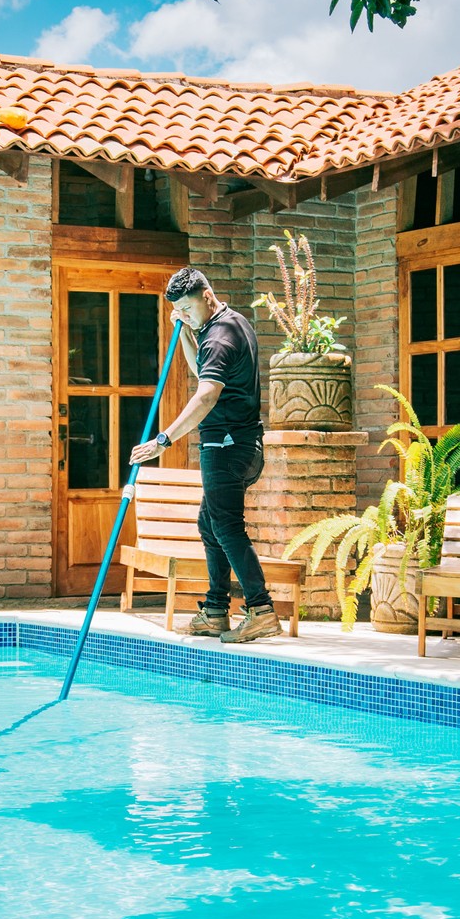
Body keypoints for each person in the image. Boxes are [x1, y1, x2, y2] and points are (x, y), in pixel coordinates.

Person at [128, 267, 281, 644]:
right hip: (238, 444)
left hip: (227, 445)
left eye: (188, 307)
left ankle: (261, 610)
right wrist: (184, 331)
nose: (185, 313)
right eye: (177, 309)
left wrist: (163, 440)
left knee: (226, 526)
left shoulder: (220, 336)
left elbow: (207, 394)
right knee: (211, 525)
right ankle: (215, 611)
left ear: (206, 295)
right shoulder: (230, 324)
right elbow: (201, 371)